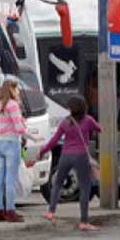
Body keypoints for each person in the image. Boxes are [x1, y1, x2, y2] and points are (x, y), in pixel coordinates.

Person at [38, 95, 102, 231]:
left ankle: (51, 212)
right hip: (81, 156)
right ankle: (84, 222)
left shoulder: (65, 123)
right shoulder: (88, 120)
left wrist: (43, 151)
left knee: (57, 184)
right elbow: (99, 129)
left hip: (66, 155)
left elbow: (54, 140)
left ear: (71, 109)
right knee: (85, 188)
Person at [0, 78, 40, 223]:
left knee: (0, 180)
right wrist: (34, 137)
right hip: (12, 144)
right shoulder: (13, 105)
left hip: (0, 143)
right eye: (17, 88)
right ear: (12, 89)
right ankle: (10, 211)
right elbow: (19, 128)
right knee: (10, 180)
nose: (18, 91)